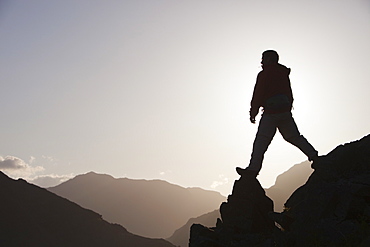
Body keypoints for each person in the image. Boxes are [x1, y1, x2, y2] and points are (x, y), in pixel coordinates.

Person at [236, 50, 318, 177]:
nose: (261, 61)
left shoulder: (264, 74)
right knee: (294, 137)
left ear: (269, 59)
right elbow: (289, 92)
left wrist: (253, 112)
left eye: (264, 58)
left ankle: (253, 170)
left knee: (261, 142)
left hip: (270, 113)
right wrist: (288, 108)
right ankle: (314, 156)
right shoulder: (283, 73)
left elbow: (258, 94)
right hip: (285, 112)